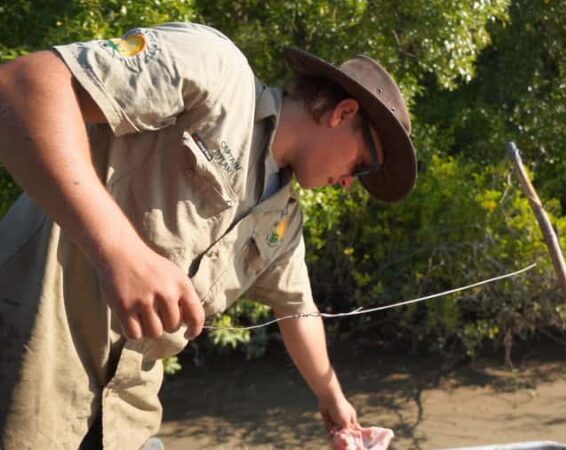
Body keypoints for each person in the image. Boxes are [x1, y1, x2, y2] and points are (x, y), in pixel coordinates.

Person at [0, 22, 416, 449]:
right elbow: (23, 85)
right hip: (24, 377)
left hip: (124, 420)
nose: (349, 184)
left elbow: (298, 309)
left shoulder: (283, 219)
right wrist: (120, 253)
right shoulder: (216, 69)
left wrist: (334, 401)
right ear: (342, 113)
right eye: (362, 166)